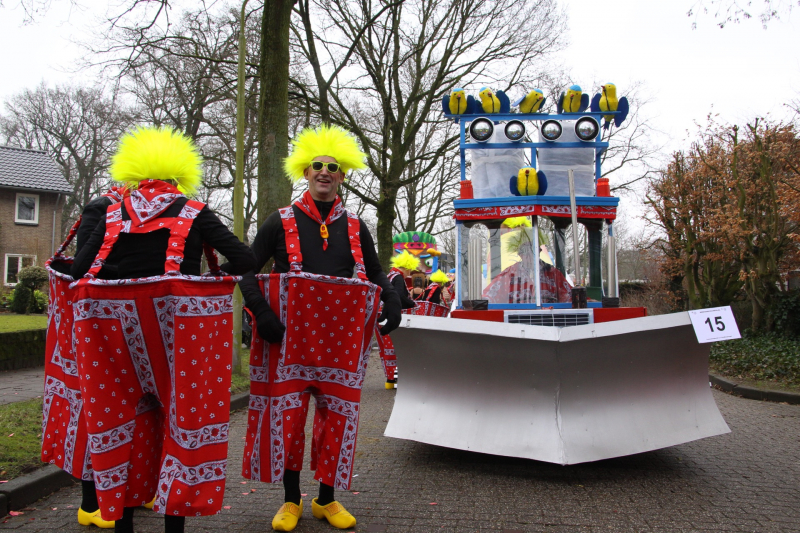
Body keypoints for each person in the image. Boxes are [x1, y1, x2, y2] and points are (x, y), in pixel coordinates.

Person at [70, 126, 256, 533]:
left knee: (120, 422)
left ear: (135, 175)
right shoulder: (194, 209)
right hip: (180, 334)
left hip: (114, 337)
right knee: (182, 422)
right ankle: (174, 525)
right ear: (178, 177)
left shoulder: (113, 210)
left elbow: (81, 271)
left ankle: (120, 522)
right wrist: (211, 278)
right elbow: (245, 258)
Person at [236, 124, 402, 532]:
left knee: (339, 417)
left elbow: (376, 272)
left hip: (341, 345)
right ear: (305, 173)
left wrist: (392, 299)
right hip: (286, 340)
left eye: (333, 166)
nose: (325, 171)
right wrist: (261, 312)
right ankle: (290, 501)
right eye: (317, 166)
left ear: (342, 175)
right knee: (289, 418)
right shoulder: (278, 222)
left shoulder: (357, 226)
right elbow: (245, 271)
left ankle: (326, 499)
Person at [42, 186, 128, 530]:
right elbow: (84, 268)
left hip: (124, 326)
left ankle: (125, 493)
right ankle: (90, 502)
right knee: (95, 409)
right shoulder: (103, 207)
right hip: (94, 326)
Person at [375, 250, 419, 388]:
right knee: (398, 348)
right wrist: (412, 303)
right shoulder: (398, 277)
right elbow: (399, 296)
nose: (409, 273)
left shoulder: (389, 276)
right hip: (393, 316)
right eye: (409, 270)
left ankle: (390, 380)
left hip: (381, 314)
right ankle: (398, 380)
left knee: (385, 348)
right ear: (406, 266)